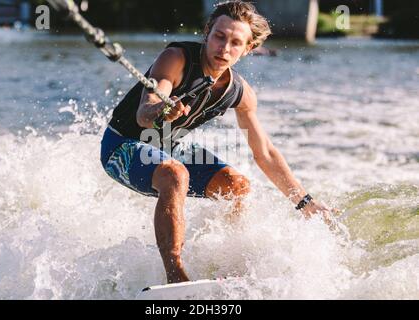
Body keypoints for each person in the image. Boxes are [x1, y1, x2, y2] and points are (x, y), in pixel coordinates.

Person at [100, 1, 334, 284]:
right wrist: (162, 109)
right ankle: (176, 277)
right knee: (175, 174)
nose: (224, 48)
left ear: (248, 49)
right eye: (220, 36)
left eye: (236, 42)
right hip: (122, 146)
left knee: (238, 187)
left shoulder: (240, 93)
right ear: (208, 32)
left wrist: (305, 202)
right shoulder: (176, 58)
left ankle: (227, 267)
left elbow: (265, 153)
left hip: (166, 147)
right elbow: (144, 112)